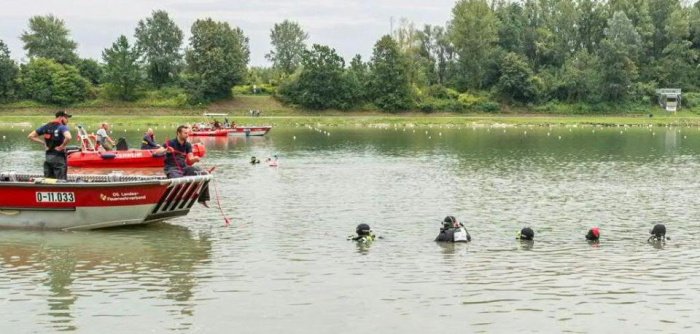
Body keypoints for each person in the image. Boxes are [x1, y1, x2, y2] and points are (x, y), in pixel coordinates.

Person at [155, 125, 210, 205]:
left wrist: (195, 159)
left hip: (183, 168)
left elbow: (190, 160)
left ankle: (202, 199)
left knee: (205, 174)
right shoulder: (171, 143)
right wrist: (166, 150)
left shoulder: (187, 145)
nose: (187, 135)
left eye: (188, 133)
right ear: (178, 133)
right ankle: (171, 201)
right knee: (178, 180)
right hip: (171, 168)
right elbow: (157, 152)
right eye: (185, 133)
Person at [27, 111, 72, 180]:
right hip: (59, 158)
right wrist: (62, 146)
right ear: (60, 118)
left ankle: (48, 190)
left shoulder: (45, 126)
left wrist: (44, 143)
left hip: (48, 158)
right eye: (66, 118)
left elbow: (30, 136)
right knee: (61, 181)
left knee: (49, 181)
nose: (67, 120)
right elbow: (68, 137)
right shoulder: (61, 127)